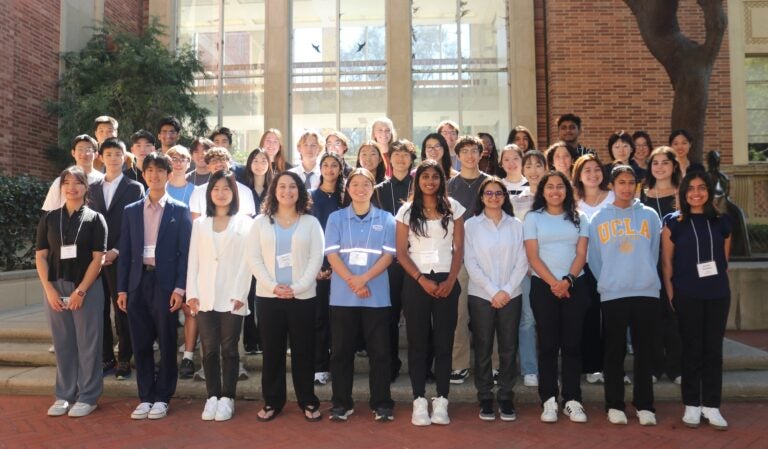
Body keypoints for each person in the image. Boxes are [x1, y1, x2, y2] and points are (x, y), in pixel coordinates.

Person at [117, 152, 192, 420]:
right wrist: (122, 289)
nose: (154, 175)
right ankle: (146, 396)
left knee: (168, 341)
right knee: (140, 342)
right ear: (143, 173)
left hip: (165, 284)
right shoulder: (131, 211)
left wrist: (180, 288)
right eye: (149, 170)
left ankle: (163, 397)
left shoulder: (179, 210)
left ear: (169, 175)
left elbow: (185, 253)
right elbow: (125, 252)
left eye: (160, 170)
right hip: (137, 283)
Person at [245, 171, 324, 422]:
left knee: (304, 351)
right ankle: (272, 401)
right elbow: (253, 258)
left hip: (303, 298)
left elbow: (316, 258)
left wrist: (297, 287)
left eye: (292, 186)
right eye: (282, 186)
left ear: (300, 192)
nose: (287, 191)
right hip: (269, 298)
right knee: (272, 352)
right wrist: (272, 286)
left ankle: (308, 400)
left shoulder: (311, 223)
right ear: (274, 190)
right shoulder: (260, 222)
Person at [588, 165, 662, 427]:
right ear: (611, 185)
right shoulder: (598, 218)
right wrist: (609, 281)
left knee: (644, 351)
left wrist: (643, 276)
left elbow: (654, 252)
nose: (627, 187)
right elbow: (594, 258)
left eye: (631, 182)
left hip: (645, 291)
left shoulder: (650, 216)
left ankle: (644, 405)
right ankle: (614, 405)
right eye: (621, 182)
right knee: (614, 352)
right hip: (613, 294)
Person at [395, 160, 464, 426]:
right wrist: (421, 280)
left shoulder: (454, 207)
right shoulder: (406, 210)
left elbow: (459, 249)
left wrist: (451, 280)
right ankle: (419, 400)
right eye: (425, 177)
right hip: (417, 281)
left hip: (447, 281)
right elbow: (401, 253)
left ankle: (442, 399)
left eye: (435, 177)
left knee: (444, 342)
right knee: (417, 343)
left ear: (441, 180)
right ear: (418, 180)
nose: (430, 181)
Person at [324, 168, 396, 422]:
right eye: (355, 184)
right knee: (341, 353)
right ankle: (341, 403)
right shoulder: (336, 218)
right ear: (348, 188)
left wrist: (363, 279)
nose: (360, 189)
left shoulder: (386, 218)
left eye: (366, 184)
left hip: (376, 297)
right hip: (342, 297)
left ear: (373, 188)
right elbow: (332, 255)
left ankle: (382, 403)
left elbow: (388, 256)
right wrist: (353, 282)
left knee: (380, 353)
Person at [661, 172, 732, 430]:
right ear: (683, 193)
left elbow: (724, 262)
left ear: (709, 192)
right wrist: (671, 293)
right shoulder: (673, 222)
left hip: (717, 294)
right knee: (691, 349)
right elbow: (667, 263)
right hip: (686, 294)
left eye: (702, 188)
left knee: (713, 350)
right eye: (690, 188)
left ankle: (712, 406)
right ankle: (691, 404)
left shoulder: (722, 221)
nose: (696, 193)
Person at [36, 166, 107, 418]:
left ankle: (88, 396)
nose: (71, 187)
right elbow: (41, 256)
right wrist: (49, 290)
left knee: (88, 344)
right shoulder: (49, 218)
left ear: (86, 187)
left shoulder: (95, 219)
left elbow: (98, 258)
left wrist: (81, 291)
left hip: (86, 288)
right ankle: (65, 395)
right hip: (55, 286)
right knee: (63, 343)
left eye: (77, 182)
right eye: (66, 182)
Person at [186, 170, 253, 422]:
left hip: (233, 295)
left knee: (230, 349)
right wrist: (192, 293)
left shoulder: (245, 223)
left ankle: (228, 398)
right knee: (209, 349)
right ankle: (212, 396)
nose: (221, 193)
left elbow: (248, 262)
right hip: (205, 294)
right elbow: (193, 260)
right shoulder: (200, 224)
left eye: (226, 189)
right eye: (216, 189)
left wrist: (241, 292)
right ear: (209, 193)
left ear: (233, 193)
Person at [523, 171, 589, 424]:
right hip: (544, 287)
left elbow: (581, 254)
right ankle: (549, 399)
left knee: (572, 345)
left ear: (567, 190)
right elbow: (532, 256)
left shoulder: (580, 217)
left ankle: (572, 400)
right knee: (548, 346)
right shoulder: (533, 218)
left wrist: (567, 281)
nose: (555, 191)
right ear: (542, 191)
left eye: (560, 186)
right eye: (549, 187)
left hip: (575, 285)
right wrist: (554, 284)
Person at [464, 177, 528, 422]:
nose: (493, 197)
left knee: (509, 348)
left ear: (505, 197)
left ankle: (506, 396)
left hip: (512, 294)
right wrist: (493, 291)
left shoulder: (516, 225)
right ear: (481, 197)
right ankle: (485, 396)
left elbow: (522, 261)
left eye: (498, 193)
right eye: (488, 193)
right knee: (483, 347)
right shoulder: (471, 225)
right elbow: (471, 262)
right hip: (481, 295)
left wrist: (506, 291)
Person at [87, 138, 145, 380]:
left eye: (117, 154)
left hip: (122, 257)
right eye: (108, 154)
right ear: (101, 157)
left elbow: (136, 225)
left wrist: (117, 250)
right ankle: (106, 357)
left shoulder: (135, 188)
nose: (113, 158)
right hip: (95, 259)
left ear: (125, 157)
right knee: (99, 309)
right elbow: (88, 223)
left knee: (122, 309)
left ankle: (124, 359)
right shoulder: (92, 188)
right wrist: (97, 252)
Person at [447, 135, 491, 385]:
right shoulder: (449, 186)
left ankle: (495, 364)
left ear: (481, 154)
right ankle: (459, 364)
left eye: (474, 150)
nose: (469, 156)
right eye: (464, 151)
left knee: (490, 313)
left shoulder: (491, 183)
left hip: (488, 256)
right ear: (457, 155)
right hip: (459, 257)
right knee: (458, 314)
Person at [374, 139, 416, 382]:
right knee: (388, 316)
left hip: (416, 258)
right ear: (389, 158)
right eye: (396, 155)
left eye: (405, 155)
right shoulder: (379, 189)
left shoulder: (420, 186)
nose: (400, 159)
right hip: (387, 261)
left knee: (417, 316)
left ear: (412, 159)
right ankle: (390, 365)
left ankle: (421, 366)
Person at [640, 146, 683, 385]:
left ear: (674, 166)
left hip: (680, 262)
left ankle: (676, 367)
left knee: (676, 314)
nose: (660, 167)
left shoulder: (683, 193)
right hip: (650, 262)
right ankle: (655, 367)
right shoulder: (642, 194)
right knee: (653, 317)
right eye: (655, 163)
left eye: (665, 162)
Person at [509, 150, 547, 388]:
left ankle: (549, 366)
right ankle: (530, 368)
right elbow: (515, 238)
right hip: (526, 270)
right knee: (527, 320)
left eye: (538, 165)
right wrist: (527, 266)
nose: (533, 170)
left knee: (551, 320)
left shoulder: (556, 196)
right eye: (529, 166)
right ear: (523, 170)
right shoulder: (516, 201)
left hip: (553, 269)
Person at [309, 152, 345, 386]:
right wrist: (317, 266)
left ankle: (340, 365)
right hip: (318, 267)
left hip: (344, 267)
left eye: (334, 165)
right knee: (319, 317)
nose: (330, 169)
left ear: (340, 169)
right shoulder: (310, 197)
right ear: (320, 169)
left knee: (341, 319)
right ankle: (320, 366)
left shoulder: (346, 198)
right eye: (326, 165)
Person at [241, 147, 274, 355]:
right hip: (247, 248)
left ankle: (265, 338)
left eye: (264, 160)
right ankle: (250, 340)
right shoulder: (243, 189)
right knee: (248, 293)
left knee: (266, 294)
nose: (260, 164)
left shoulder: (275, 189)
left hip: (269, 248)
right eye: (255, 160)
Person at [189, 147, 256, 221]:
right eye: (214, 161)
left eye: (222, 159)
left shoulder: (245, 191)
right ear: (208, 167)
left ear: (230, 163)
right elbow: (195, 223)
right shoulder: (198, 192)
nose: (218, 163)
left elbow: (248, 223)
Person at [42, 135, 104, 211]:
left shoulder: (103, 180)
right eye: (80, 149)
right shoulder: (61, 181)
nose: (84, 153)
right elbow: (48, 210)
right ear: (73, 153)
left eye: (88, 149)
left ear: (96, 154)